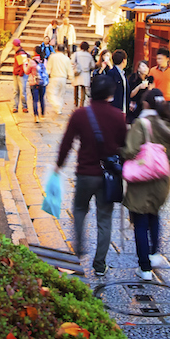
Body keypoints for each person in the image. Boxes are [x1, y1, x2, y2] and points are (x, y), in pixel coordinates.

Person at [55, 74, 128, 276]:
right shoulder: (118, 117)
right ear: (110, 94)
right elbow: (125, 145)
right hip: (108, 177)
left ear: (90, 91)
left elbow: (67, 142)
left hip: (85, 173)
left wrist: (59, 165)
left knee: (79, 210)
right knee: (104, 219)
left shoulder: (80, 115)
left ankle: (78, 251)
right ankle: (100, 264)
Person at [119, 90, 170, 280]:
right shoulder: (168, 125)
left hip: (142, 181)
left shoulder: (142, 124)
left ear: (145, 104)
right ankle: (154, 253)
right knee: (154, 214)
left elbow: (130, 150)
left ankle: (144, 268)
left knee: (140, 221)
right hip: (162, 182)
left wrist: (119, 150)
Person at [46, 45, 73, 116]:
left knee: (51, 93)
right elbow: (70, 69)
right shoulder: (66, 58)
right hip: (63, 78)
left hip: (54, 77)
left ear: (56, 49)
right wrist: (71, 77)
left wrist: (46, 75)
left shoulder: (52, 57)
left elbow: (48, 68)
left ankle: (57, 105)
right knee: (60, 95)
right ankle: (59, 109)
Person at [71, 41, 94, 107]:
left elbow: (72, 62)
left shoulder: (76, 54)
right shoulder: (89, 55)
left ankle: (75, 101)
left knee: (76, 87)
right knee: (83, 89)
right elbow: (92, 65)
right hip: (85, 73)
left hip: (77, 72)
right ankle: (82, 103)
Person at [106, 49, 129, 114]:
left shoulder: (123, 74)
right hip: (114, 109)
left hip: (123, 108)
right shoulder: (112, 73)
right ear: (124, 60)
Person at [27, 54, 48, 123]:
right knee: (42, 99)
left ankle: (36, 117)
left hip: (34, 83)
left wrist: (25, 64)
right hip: (42, 82)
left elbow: (27, 72)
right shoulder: (44, 61)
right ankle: (43, 115)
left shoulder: (32, 62)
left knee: (35, 100)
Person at [12, 41, 29, 113]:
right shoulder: (17, 53)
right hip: (16, 73)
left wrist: (20, 73)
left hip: (20, 75)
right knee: (17, 91)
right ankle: (15, 106)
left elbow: (24, 65)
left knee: (22, 91)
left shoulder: (21, 53)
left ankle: (24, 106)